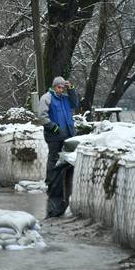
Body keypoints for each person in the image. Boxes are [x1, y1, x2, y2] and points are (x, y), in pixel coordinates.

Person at [37, 76, 79, 218]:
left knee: (67, 162)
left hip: (68, 135)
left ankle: (64, 186)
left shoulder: (65, 98)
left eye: (62, 87)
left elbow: (75, 103)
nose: (61, 89)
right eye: (59, 87)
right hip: (54, 135)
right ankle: (51, 182)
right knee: (54, 158)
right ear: (54, 86)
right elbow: (41, 116)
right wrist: (53, 127)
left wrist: (71, 89)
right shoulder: (47, 98)